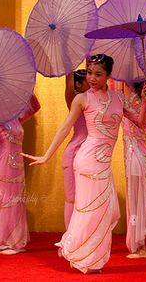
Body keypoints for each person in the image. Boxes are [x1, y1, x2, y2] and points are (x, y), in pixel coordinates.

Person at [22, 54, 146, 273]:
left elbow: (140, 122)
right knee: (90, 211)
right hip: (87, 161)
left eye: (98, 74)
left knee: (105, 212)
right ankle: (83, 257)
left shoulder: (119, 100)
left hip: (103, 163)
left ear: (109, 76)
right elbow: (65, 128)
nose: (92, 78)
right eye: (90, 73)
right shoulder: (82, 99)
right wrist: (46, 155)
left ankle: (93, 259)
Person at [0, 95, 40, 255]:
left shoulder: (15, 118)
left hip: (17, 164)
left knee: (16, 201)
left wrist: (26, 88)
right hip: (4, 163)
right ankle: (1, 242)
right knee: (3, 200)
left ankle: (14, 240)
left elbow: (35, 106)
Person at [123, 81, 146, 259]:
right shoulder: (130, 99)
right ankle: (141, 246)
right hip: (134, 157)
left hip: (139, 158)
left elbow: (141, 123)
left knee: (142, 202)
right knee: (138, 202)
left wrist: (145, 100)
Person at [61, 69, 89, 228]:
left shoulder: (93, 99)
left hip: (88, 155)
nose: (92, 80)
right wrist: (69, 59)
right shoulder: (74, 99)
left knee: (86, 198)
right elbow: (68, 83)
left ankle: (82, 238)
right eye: (87, 78)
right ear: (78, 84)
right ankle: (69, 238)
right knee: (72, 198)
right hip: (74, 153)